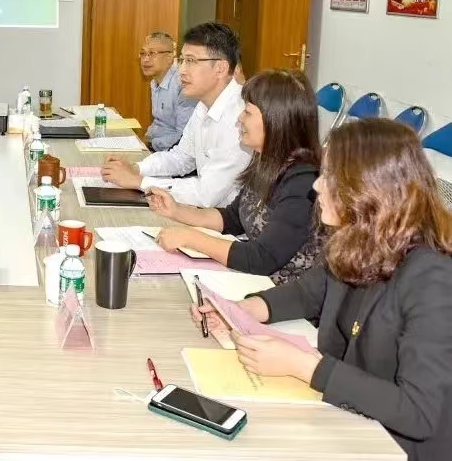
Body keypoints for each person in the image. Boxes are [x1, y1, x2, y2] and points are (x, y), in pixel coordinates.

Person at [191, 119, 452, 460]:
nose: (316, 185)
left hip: (395, 447)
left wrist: (304, 367)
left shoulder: (433, 279)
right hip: (350, 422)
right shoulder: (360, 240)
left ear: (368, 189)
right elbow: (308, 293)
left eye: (329, 176)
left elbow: (419, 412)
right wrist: (241, 311)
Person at [149, 69, 323, 284]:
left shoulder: (303, 183)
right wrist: (177, 211)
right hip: (254, 283)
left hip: (282, 295)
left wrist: (191, 238)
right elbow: (233, 218)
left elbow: (262, 258)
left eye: (247, 112)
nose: (239, 118)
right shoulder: (266, 162)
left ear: (275, 120)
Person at [102, 22, 252, 207]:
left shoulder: (240, 117)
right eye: (182, 60)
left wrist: (139, 182)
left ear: (220, 68)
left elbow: (205, 194)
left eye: (191, 61)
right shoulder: (204, 105)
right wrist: (136, 168)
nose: (181, 70)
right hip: (205, 211)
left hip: (225, 219)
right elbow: (181, 157)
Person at [141, 31, 197, 151]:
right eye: (143, 53)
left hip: (173, 154)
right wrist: (143, 140)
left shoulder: (183, 85)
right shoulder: (154, 82)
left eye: (151, 53)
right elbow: (159, 123)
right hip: (156, 148)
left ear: (169, 57)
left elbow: (183, 137)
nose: (145, 59)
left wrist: (151, 143)